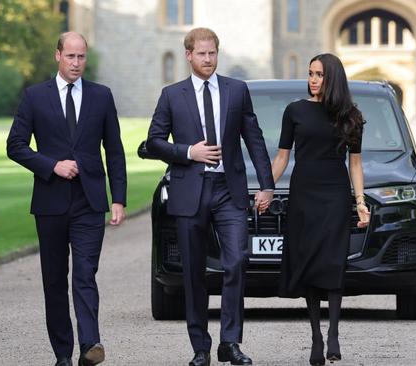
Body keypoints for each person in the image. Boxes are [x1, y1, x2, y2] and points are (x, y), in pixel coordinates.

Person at [146, 27, 275, 366]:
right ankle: (200, 348)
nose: (208, 59)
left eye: (212, 53)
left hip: (228, 191)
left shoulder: (237, 90)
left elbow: (255, 138)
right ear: (188, 55)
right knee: (193, 272)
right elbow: (154, 141)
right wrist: (189, 151)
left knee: (236, 261)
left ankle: (229, 343)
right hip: (190, 190)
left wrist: (266, 184)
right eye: (201, 54)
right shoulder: (172, 95)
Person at [6, 32, 126, 366]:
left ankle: (90, 344)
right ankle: (63, 355)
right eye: (70, 56)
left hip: (90, 202)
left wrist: (119, 199)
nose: (76, 63)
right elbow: (15, 145)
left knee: (85, 274)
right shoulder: (34, 97)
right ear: (58, 55)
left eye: (81, 57)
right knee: (55, 281)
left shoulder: (102, 97)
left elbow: (114, 151)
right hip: (50, 202)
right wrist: (51, 165)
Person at [271, 53, 370, 366]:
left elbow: (355, 164)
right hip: (304, 194)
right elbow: (282, 157)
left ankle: (334, 333)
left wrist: (360, 202)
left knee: (333, 261)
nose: (313, 79)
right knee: (310, 263)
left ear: (333, 79)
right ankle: (316, 335)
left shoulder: (352, 116)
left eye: (319, 75)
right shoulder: (295, 111)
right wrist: (266, 186)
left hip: (335, 195)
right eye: (310, 73)